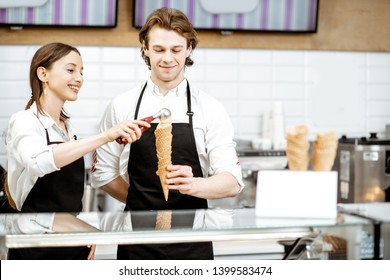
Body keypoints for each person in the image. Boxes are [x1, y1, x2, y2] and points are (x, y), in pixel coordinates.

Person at [91, 8, 244, 260]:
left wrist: (194, 185)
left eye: (176, 49)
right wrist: (142, 201)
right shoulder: (122, 105)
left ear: (189, 49)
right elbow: (103, 173)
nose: (167, 58)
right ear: (145, 48)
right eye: (159, 49)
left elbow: (232, 182)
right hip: (136, 242)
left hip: (193, 242)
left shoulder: (210, 108)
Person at [5, 42, 150, 260]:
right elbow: (38, 162)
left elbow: (66, 204)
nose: (79, 78)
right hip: (36, 246)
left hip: (70, 241)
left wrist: (83, 230)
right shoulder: (24, 121)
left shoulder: (68, 129)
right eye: (71, 70)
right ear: (43, 73)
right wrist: (105, 136)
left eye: (81, 72)